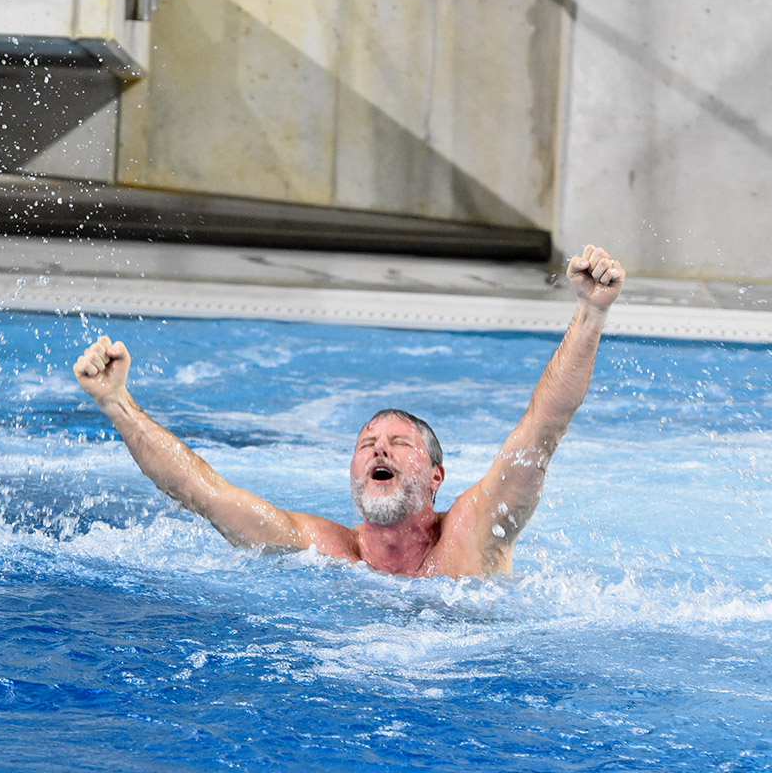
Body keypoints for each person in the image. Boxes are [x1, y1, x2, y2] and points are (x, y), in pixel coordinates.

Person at [73, 244, 626, 578]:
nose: (379, 449)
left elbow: (543, 427)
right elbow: (203, 492)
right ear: (353, 474)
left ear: (437, 476)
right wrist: (117, 403)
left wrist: (591, 312)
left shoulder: (475, 534)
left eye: (398, 444)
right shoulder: (323, 552)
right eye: (366, 446)